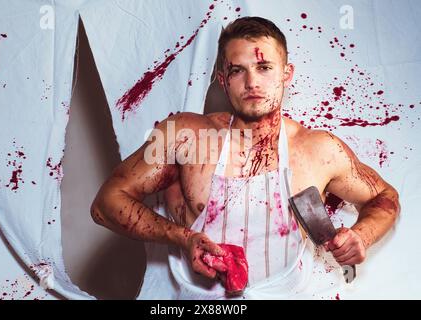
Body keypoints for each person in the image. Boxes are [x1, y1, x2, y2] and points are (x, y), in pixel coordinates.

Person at [90, 16, 400, 299]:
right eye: (238, 71)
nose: (252, 83)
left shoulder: (319, 149)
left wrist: (362, 235)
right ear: (223, 81)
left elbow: (385, 197)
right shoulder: (183, 135)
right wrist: (183, 238)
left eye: (264, 68)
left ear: (286, 74)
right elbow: (106, 205)